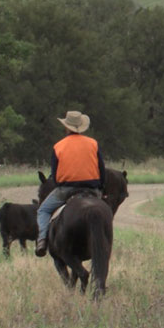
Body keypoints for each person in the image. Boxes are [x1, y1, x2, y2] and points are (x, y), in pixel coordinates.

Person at [35, 110, 106, 257]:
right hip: (91, 189)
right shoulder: (93, 144)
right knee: (103, 212)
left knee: (43, 211)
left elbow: (55, 175)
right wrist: (101, 187)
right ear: (81, 126)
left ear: (66, 127)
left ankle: (42, 240)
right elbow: (101, 168)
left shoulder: (58, 146)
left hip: (66, 189)